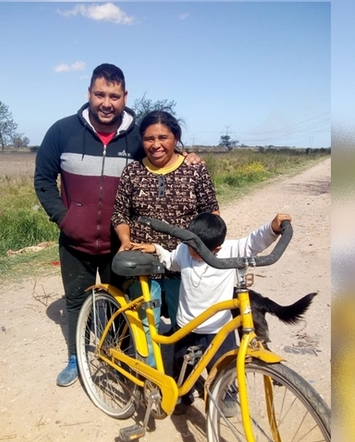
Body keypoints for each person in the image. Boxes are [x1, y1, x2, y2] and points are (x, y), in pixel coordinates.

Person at [34, 64, 203, 387]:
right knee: (77, 300)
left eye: (114, 95)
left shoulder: (137, 136)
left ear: (125, 97)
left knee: (124, 303)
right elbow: (43, 180)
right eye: (100, 94)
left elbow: (163, 152)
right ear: (89, 94)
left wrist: (189, 156)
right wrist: (65, 218)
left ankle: (120, 357)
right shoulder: (62, 131)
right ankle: (77, 355)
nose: (106, 103)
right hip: (75, 241)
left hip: (120, 243)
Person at [133, 212, 292, 413]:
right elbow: (171, 260)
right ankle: (183, 394)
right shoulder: (184, 250)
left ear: (216, 249)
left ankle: (226, 393)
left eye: (196, 249)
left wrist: (273, 227)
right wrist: (157, 249)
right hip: (186, 326)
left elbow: (254, 241)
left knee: (225, 366)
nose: (190, 250)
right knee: (182, 365)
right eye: (189, 244)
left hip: (219, 328)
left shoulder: (232, 249)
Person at [111, 110, 219, 371]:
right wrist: (125, 240)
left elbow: (212, 211)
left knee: (190, 323)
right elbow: (120, 213)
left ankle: (188, 377)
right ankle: (152, 378)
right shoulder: (133, 172)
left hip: (184, 261)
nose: (156, 144)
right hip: (144, 262)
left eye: (163, 137)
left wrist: (204, 247)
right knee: (147, 325)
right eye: (149, 139)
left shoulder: (195, 170)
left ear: (176, 138)